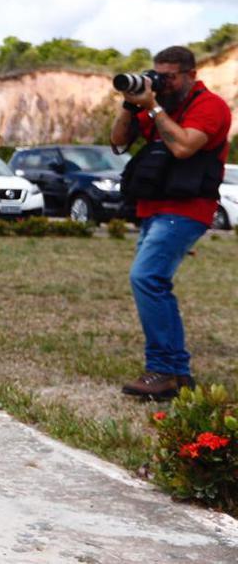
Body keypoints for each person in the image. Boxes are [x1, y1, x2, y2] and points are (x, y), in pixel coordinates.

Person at [111, 45, 231, 400]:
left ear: (191, 75)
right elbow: (118, 142)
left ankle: (163, 369)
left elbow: (183, 148)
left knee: (146, 277)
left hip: (188, 208)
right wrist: (130, 105)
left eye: (170, 76)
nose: (162, 81)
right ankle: (176, 373)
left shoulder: (210, 106)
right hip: (152, 206)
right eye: (157, 74)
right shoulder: (154, 103)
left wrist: (155, 109)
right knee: (154, 281)